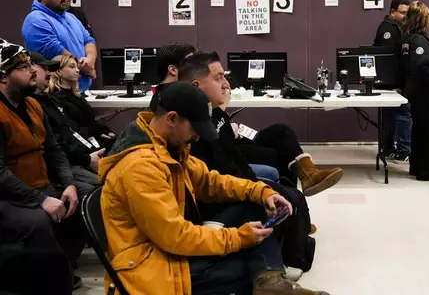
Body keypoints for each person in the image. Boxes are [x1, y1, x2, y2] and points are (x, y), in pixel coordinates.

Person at [98, 81, 328, 295]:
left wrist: (261, 192)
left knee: (255, 206)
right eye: (194, 128)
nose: (197, 137)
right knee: (244, 266)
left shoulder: (166, 147)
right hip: (148, 266)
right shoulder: (140, 167)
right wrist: (239, 238)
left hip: (167, 247)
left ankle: (269, 279)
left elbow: (212, 182)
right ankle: (267, 278)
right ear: (172, 118)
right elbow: (176, 237)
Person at [182, 52, 317, 274]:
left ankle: (291, 249)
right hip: (215, 200)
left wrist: (257, 187)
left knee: (286, 188)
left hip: (231, 183)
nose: (226, 84)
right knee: (285, 195)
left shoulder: (214, 115)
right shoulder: (188, 127)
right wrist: (254, 190)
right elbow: (211, 177)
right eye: (218, 78)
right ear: (197, 85)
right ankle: (287, 259)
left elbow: (234, 159)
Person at [179, 53, 343, 197]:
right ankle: (292, 204)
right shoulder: (179, 107)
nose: (226, 84)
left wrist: (226, 118)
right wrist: (223, 106)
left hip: (233, 138)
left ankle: (308, 176)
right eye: (218, 78)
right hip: (228, 149)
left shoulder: (210, 107)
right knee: (278, 155)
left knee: (281, 131)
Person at [0, 39, 86, 290]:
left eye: (30, 64)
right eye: (23, 66)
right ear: (3, 76)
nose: (33, 70)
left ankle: (64, 270)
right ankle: (46, 281)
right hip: (9, 196)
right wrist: (40, 200)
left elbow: (53, 149)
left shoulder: (34, 105)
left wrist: (69, 184)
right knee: (38, 223)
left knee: (85, 201)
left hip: (40, 185)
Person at [30, 52, 103, 196]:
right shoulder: (42, 102)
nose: (49, 73)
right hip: (56, 167)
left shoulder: (45, 100)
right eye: (45, 69)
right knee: (101, 186)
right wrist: (87, 159)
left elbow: (60, 141)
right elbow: (54, 147)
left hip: (70, 158)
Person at [21, 0, 97, 92]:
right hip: (53, 93)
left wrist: (90, 60)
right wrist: (86, 69)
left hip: (76, 91)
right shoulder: (36, 19)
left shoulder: (71, 17)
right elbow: (54, 50)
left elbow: (88, 40)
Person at [401, 2, 429, 181]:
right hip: (426, 93)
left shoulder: (408, 38)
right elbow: (420, 67)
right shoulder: (419, 41)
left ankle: (417, 167)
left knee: (419, 131)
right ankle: (426, 171)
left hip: (416, 93)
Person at [373, 0, 412, 162]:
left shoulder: (398, 27)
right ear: (392, 12)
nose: (405, 16)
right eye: (402, 13)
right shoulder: (388, 30)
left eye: (407, 13)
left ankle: (388, 148)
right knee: (403, 113)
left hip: (390, 81)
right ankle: (403, 151)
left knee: (389, 116)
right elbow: (389, 59)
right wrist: (396, 84)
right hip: (392, 82)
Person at [149, 41, 196, 109]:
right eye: (191, 64)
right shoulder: (174, 103)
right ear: (173, 70)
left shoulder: (161, 97)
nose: (196, 69)